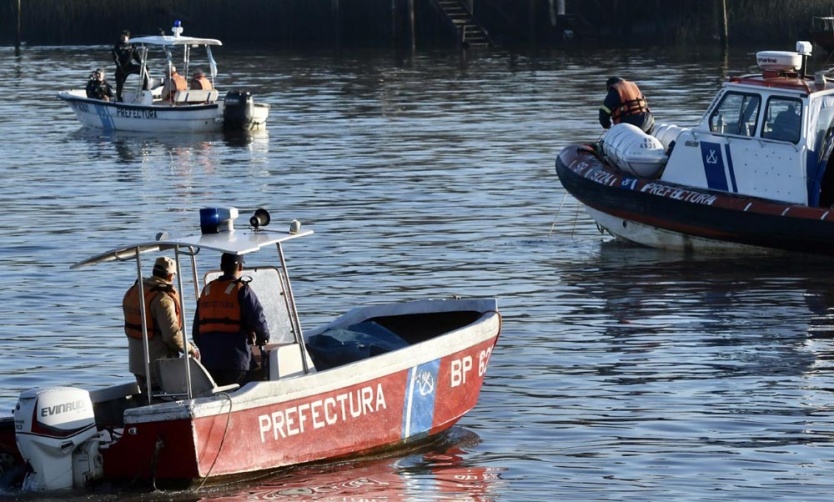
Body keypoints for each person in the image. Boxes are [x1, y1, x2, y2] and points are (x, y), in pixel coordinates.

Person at [122, 256, 199, 395]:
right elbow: (172, 336)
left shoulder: (136, 290)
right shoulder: (163, 299)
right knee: (161, 399)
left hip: (136, 364)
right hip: (157, 366)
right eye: (174, 275)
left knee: (147, 397)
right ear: (170, 276)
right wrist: (191, 349)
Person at [193, 253, 271, 386]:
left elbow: (196, 331)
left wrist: (208, 347)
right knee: (256, 378)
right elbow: (257, 319)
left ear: (221, 266)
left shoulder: (207, 290)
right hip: (236, 360)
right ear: (240, 267)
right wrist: (263, 337)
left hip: (209, 362)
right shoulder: (242, 290)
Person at [111, 29, 143, 102]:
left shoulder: (132, 45)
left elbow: (136, 56)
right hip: (121, 68)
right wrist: (120, 68)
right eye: (122, 36)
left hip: (129, 66)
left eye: (125, 36)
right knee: (120, 84)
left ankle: (144, 89)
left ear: (128, 37)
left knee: (143, 70)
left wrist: (143, 64)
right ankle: (119, 99)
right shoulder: (117, 46)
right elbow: (116, 58)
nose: (123, 38)